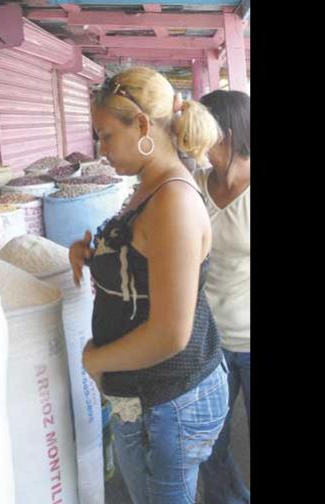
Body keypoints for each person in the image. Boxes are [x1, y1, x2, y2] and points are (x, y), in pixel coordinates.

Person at [70, 66, 228, 504]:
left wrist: (96, 359)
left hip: (168, 402)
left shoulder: (172, 201)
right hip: (154, 398)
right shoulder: (149, 187)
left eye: (105, 136)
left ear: (141, 125)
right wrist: (94, 255)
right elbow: (141, 259)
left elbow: (169, 334)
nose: (100, 150)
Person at [195, 90, 251, 504]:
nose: (194, 141)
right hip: (208, 341)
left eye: (203, 131)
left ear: (227, 134)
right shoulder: (193, 185)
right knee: (209, 444)